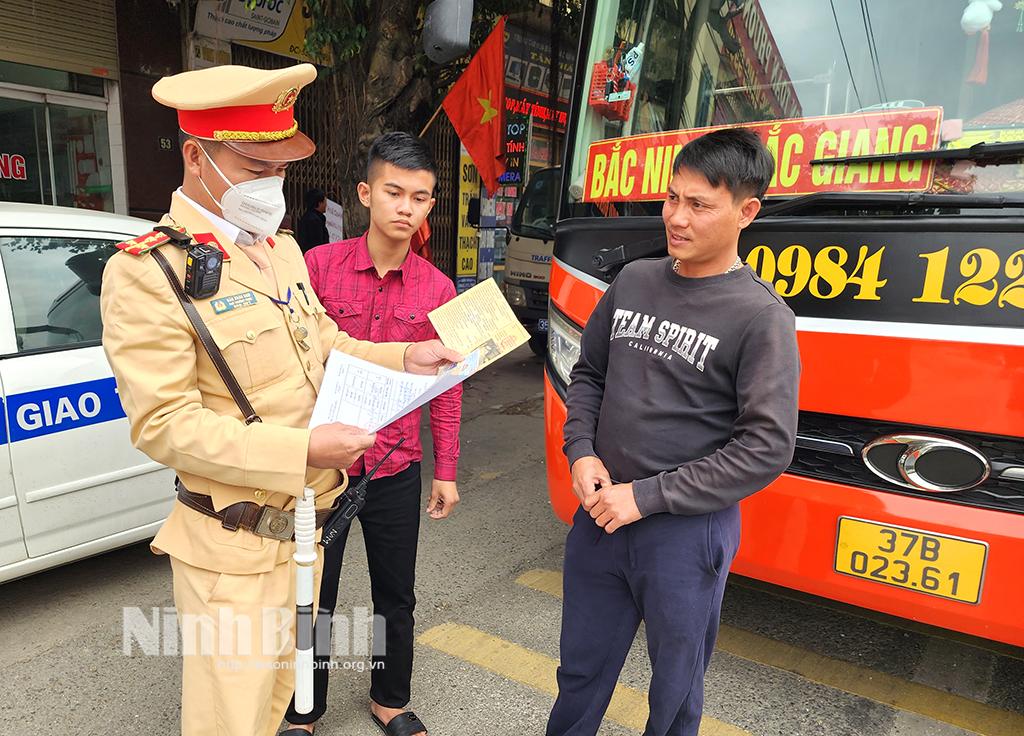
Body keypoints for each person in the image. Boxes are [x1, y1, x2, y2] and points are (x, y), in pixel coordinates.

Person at [99, 63, 461, 736]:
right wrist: (305, 449)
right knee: (231, 719)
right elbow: (164, 426)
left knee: (276, 708)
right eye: (254, 167)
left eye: (280, 168)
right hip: (231, 546)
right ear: (196, 157)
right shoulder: (148, 272)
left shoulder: (279, 251)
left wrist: (405, 357)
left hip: (303, 534)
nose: (272, 183)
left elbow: (324, 341)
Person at [546, 128, 800, 736]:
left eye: (699, 205)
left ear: (746, 212)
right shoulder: (634, 281)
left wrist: (646, 497)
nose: (676, 218)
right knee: (579, 673)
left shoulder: (761, 317)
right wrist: (580, 452)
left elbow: (766, 447)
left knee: (675, 693)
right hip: (601, 516)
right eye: (671, 198)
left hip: (686, 535)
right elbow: (589, 373)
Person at [282, 131, 460, 736]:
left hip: (395, 465)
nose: (406, 208)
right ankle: (303, 710)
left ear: (431, 204)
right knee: (313, 591)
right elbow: (293, 359)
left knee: (396, 593)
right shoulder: (317, 268)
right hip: (323, 466)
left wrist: (446, 471)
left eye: (420, 197)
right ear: (365, 194)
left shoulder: (438, 289)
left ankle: (389, 699)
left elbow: (448, 387)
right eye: (393, 192)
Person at [297, 187, 330, 253]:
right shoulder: (314, 220)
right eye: (325, 202)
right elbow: (317, 244)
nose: (326, 205)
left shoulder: (308, 217)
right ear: (319, 203)